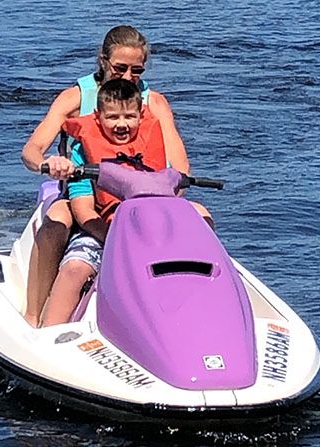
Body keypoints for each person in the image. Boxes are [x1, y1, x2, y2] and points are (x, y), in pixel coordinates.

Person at [21, 25, 190, 327]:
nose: (127, 78)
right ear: (103, 61)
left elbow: (180, 167)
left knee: (199, 217)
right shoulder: (76, 97)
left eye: (136, 71)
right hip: (81, 191)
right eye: (120, 68)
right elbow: (31, 151)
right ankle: (33, 316)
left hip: (139, 196)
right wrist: (49, 163)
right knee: (58, 223)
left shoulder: (155, 103)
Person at [42, 78, 213, 326]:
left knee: (201, 214)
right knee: (76, 268)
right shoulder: (82, 152)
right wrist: (115, 240)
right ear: (98, 116)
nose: (122, 125)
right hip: (102, 232)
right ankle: (50, 330)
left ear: (141, 115)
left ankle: (205, 310)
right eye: (113, 118)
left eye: (129, 117)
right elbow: (83, 211)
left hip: (154, 236)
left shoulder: (155, 145)